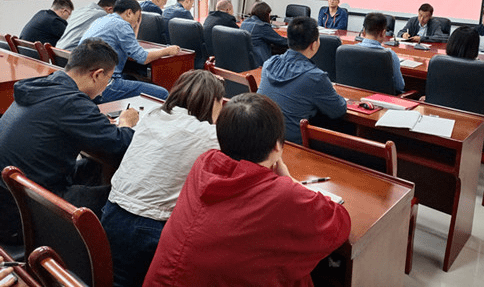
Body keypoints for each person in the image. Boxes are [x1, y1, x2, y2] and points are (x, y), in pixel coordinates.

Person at [143, 93, 351, 287]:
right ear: (278, 146)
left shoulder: (204, 163)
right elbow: (340, 224)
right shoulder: (282, 194)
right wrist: (290, 181)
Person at [0, 39, 139, 245]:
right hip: (21, 217)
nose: (105, 87)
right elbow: (120, 144)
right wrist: (126, 124)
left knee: (93, 166)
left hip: (10, 199)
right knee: (122, 198)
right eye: (108, 79)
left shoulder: (41, 86)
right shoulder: (71, 103)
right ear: (97, 74)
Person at [101, 70, 225, 287]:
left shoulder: (153, 115)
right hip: (150, 225)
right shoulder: (210, 136)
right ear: (213, 103)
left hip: (111, 212)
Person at [258, 17, 347, 144]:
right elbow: (338, 110)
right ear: (314, 44)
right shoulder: (315, 77)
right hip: (291, 144)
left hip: (262, 136)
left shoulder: (269, 63)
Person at [80, 0, 180, 102]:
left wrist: (135, 27)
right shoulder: (121, 24)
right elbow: (143, 58)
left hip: (86, 82)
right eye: (137, 18)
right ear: (129, 13)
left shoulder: (101, 20)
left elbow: (131, 47)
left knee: (129, 77)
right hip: (104, 86)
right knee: (162, 93)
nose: (137, 21)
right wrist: (168, 50)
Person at [56, 0, 121, 51]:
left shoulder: (80, 10)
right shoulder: (103, 15)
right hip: (72, 57)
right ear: (110, 9)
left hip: (58, 52)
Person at [358, 12, 405, 93]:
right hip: (381, 101)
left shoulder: (348, 49)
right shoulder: (390, 55)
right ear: (383, 33)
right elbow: (399, 86)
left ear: (363, 32)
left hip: (354, 98)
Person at [240, 1, 288, 66]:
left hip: (247, 60)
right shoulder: (261, 26)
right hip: (261, 62)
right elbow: (282, 41)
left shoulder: (245, 22)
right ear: (266, 14)